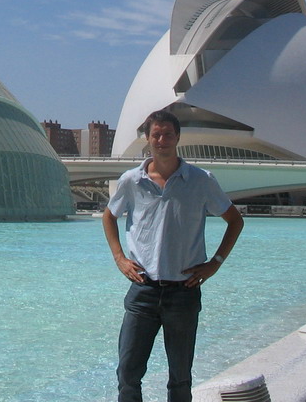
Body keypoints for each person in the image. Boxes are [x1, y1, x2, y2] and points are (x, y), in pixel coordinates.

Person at [102, 109, 244, 402]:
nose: (161, 140)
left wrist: (214, 264)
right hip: (143, 290)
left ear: (178, 137)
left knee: (180, 378)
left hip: (183, 292)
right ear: (147, 138)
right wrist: (119, 258)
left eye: (168, 134)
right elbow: (109, 216)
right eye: (156, 134)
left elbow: (235, 220)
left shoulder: (201, 179)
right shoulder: (132, 180)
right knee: (128, 373)